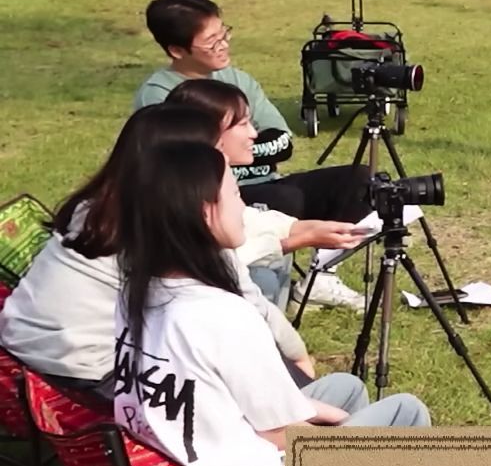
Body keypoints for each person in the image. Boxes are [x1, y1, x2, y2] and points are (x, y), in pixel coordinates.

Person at [110, 141, 447, 466]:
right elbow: (276, 433)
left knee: (346, 389)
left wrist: (322, 413)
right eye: (234, 195)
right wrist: (330, 426)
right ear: (204, 213)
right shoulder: (218, 313)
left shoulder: (138, 289)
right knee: (404, 413)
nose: (243, 208)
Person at [0, 106, 344, 398]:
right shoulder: (188, 266)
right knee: (350, 413)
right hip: (101, 384)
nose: (224, 165)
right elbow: (274, 422)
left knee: (342, 399)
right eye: (215, 154)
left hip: (29, 366)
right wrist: (298, 373)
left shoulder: (98, 210)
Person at [131, 0, 371, 308]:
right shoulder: (160, 95)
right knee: (285, 198)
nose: (223, 45)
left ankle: (321, 277)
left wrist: (236, 152)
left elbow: (282, 142)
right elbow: (186, 169)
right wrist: (240, 158)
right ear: (176, 50)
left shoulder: (236, 79)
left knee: (358, 179)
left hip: (266, 184)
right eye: (212, 42)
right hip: (216, 197)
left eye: (224, 34)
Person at [165, 79, 369, 309]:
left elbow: (250, 218)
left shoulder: (212, 173)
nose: (254, 133)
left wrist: (309, 228)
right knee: (263, 280)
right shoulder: (182, 191)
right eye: (242, 124)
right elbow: (218, 258)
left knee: (357, 178)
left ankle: (321, 279)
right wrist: (302, 238)